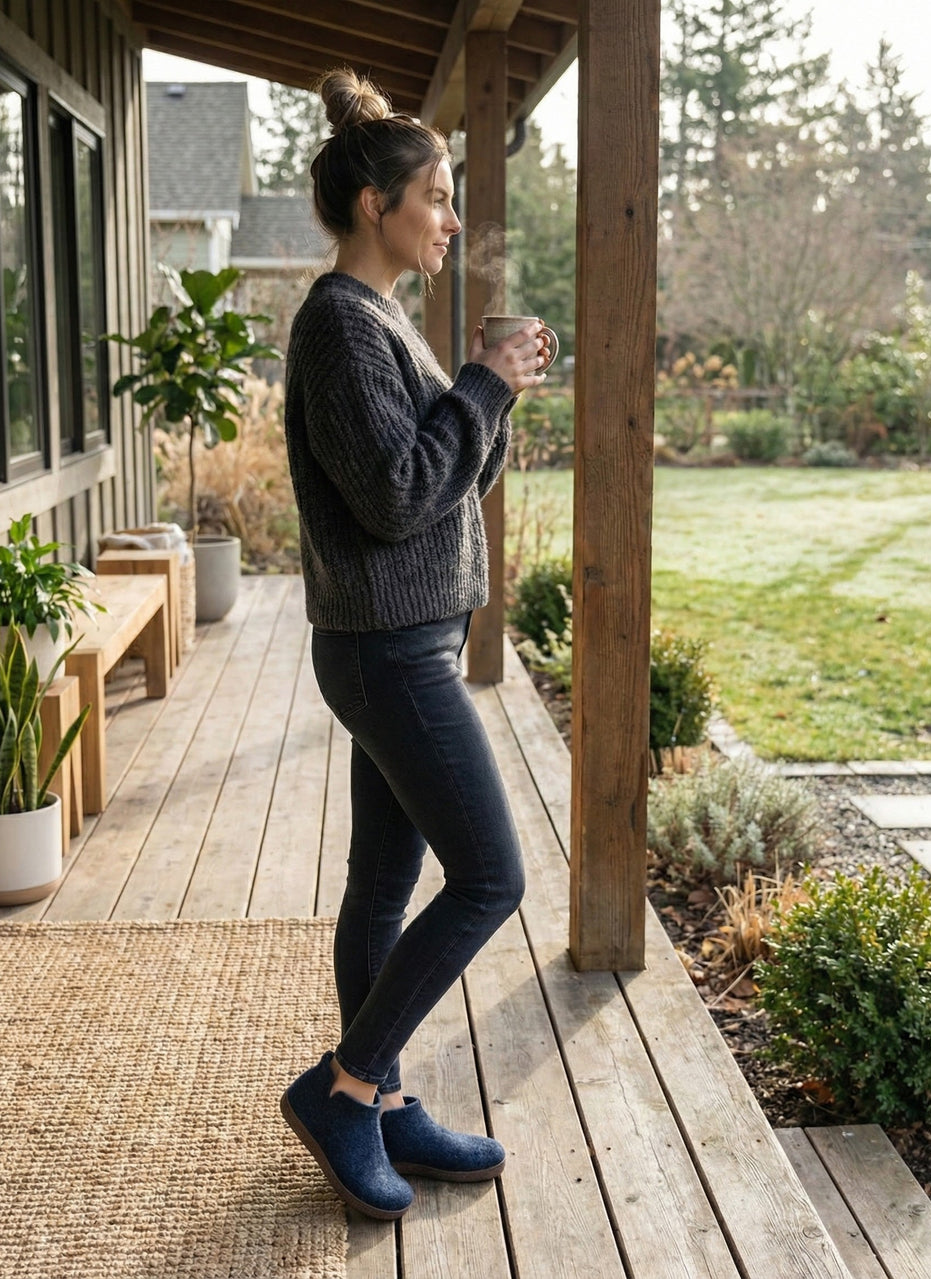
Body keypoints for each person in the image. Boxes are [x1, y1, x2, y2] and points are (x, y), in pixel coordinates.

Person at [280, 67, 550, 1222]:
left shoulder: (383, 319)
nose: (451, 221)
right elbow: (397, 496)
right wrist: (479, 383)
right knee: (491, 874)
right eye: (437, 199)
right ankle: (343, 1090)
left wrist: (497, 392)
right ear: (376, 203)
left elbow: (448, 475)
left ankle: (383, 1101)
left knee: (384, 883)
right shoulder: (341, 326)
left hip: (403, 641)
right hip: (389, 651)